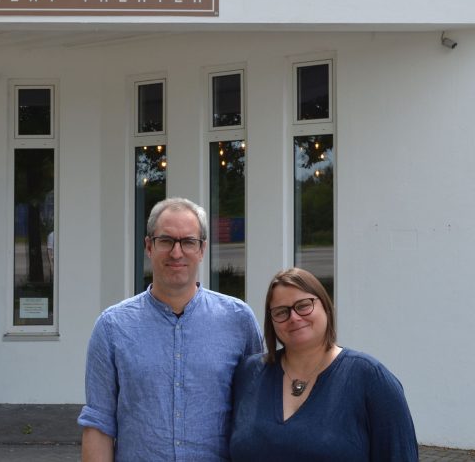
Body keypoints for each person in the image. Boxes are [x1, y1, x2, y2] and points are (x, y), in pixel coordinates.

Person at [78, 197, 263, 462]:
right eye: (166, 241)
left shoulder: (239, 320)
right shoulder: (112, 327)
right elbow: (99, 422)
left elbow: (254, 413)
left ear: (202, 249)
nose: (177, 253)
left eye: (188, 241)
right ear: (149, 246)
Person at [230, 267, 418, 462]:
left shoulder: (370, 378)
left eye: (303, 305)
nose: (294, 317)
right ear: (272, 322)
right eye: (281, 312)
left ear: (326, 307)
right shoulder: (249, 373)